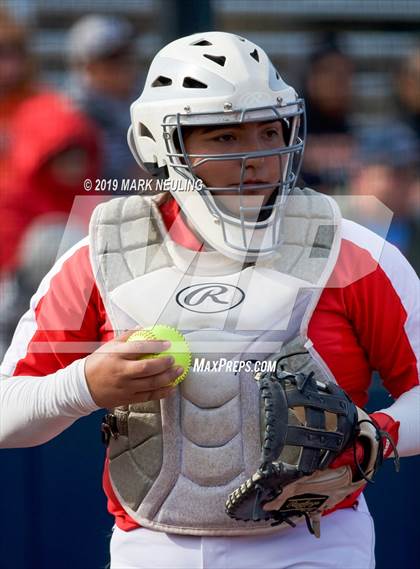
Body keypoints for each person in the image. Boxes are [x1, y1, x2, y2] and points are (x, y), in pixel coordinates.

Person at [0, 32, 419, 569]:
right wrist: (83, 386)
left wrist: (376, 438)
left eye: (271, 129)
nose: (259, 157)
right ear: (158, 145)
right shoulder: (100, 256)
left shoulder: (354, 250)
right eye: (225, 138)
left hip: (315, 544)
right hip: (151, 546)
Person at [66, 14, 141, 181]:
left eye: (127, 53)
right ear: (86, 66)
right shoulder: (74, 114)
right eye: (113, 58)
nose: (125, 64)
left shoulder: (143, 98)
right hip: (90, 203)